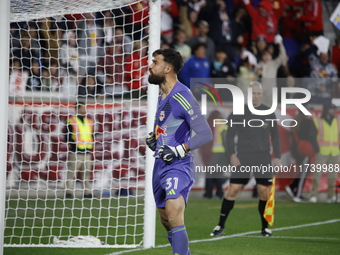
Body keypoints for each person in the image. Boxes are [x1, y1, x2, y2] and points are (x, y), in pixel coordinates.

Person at [145, 48, 212, 255]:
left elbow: (205, 133)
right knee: (167, 221)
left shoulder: (182, 95)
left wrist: (179, 149)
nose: (150, 65)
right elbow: (169, 130)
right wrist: (155, 140)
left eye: (155, 62)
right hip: (160, 165)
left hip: (178, 165)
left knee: (174, 215)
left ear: (167, 68)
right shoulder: (161, 98)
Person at [210, 81, 281, 237]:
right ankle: (220, 226)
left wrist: (278, 156)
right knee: (232, 191)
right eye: (252, 93)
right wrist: (232, 155)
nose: (255, 96)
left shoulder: (269, 112)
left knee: (264, 193)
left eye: (257, 93)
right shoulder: (238, 112)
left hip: (263, 157)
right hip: (243, 157)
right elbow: (229, 136)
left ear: (262, 94)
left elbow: (275, 136)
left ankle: (265, 228)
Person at [285, 108, 319, 202]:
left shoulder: (295, 122)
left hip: (297, 150)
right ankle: (297, 192)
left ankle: (293, 188)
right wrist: (316, 149)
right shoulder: (308, 123)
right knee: (304, 172)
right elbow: (312, 137)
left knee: (304, 171)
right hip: (305, 150)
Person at [309, 103, 339, 203]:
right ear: (326, 109)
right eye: (331, 109)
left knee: (333, 175)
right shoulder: (318, 121)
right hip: (322, 151)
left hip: (335, 151)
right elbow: (313, 136)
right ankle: (314, 194)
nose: (333, 111)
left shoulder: (337, 121)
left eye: (334, 109)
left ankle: (331, 196)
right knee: (317, 174)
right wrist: (316, 149)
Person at [64, 103, 94, 199]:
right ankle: (69, 192)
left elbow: (91, 134)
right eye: (82, 108)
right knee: (71, 172)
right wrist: (73, 144)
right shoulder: (71, 120)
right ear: (77, 109)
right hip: (75, 151)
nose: (84, 110)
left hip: (87, 151)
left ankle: (87, 192)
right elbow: (67, 135)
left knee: (86, 172)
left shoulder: (89, 121)